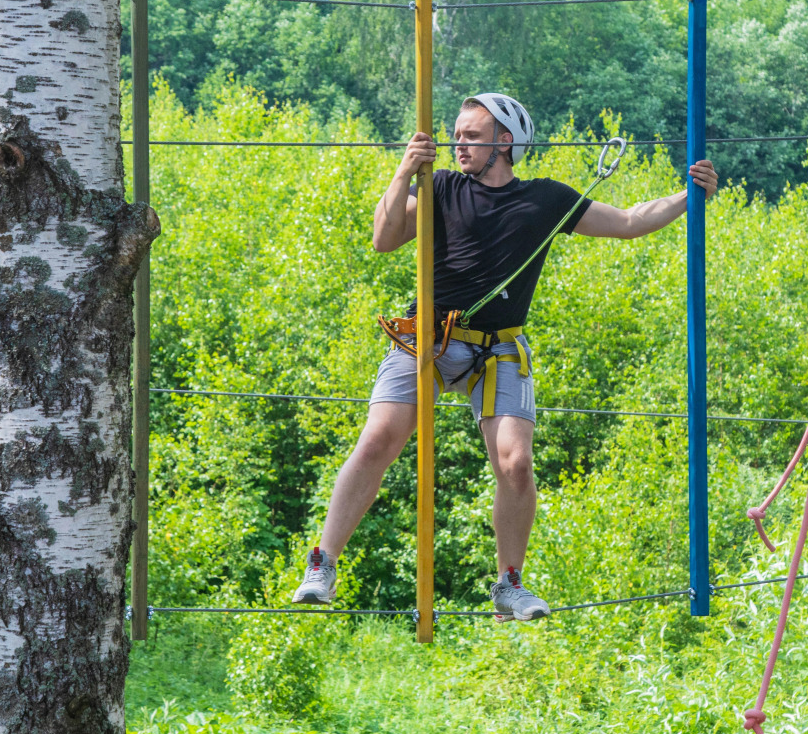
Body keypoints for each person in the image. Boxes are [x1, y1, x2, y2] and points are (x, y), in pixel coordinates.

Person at [292, 92, 718, 621]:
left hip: (499, 346)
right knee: (379, 437)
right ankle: (323, 563)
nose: (458, 144)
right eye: (457, 134)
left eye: (471, 135)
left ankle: (509, 585)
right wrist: (405, 170)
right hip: (427, 336)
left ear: (505, 142)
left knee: (515, 464)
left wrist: (689, 195)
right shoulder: (440, 186)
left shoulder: (543, 200)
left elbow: (629, 220)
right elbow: (384, 238)